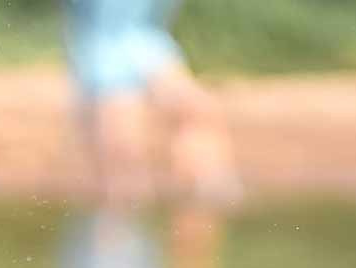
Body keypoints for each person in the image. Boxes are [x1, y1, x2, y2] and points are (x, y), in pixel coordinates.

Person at [66, 0, 241, 204]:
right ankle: (119, 224)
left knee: (200, 115)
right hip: (103, 47)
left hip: (149, 41)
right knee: (124, 156)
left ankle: (204, 206)